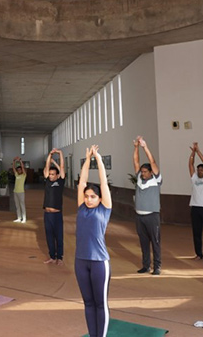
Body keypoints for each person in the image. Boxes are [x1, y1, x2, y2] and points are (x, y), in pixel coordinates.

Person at [75, 144, 112, 337]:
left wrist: (97, 158)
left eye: (93, 197)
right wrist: (86, 159)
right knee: (88, 302)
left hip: (99, 262)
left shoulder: (104, 209)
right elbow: (82, 182)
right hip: (80, 261)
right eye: (87, 196)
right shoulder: (81, 207)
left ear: (99, 199)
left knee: (100, 303)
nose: (89, 199)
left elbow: (103, 183)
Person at [133, 135, 162, 275]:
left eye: (145, 172)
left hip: (152, 216)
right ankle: (146, 266)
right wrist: (136, 148)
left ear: (151, 172)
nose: (142, 173)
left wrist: (145, 147)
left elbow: (153, 161)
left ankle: (157, 266)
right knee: (144, 243)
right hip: (140, 216)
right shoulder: (139, 177)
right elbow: (136, 161)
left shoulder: (156, 179)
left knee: (155, 242)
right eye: (142, 172)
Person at [43, 148, 66, 264]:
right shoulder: (47, 181)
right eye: (50, 174)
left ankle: (60, 257)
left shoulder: (60, 181)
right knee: (49, 236)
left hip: (57, 214)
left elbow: (61, 167)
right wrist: (50, 155)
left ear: (57, 175)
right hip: (47, 214)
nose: (51, 176)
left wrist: (60, 153)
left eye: (53, 174)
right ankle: (52, 256)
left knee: (59, 236)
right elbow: (47, 167)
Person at [12, 156, 27, 223]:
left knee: (22, 205)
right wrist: (14, 161)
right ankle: (19, 218)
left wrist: (20, 160)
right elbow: (13, 168)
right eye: (18, 170)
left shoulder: (23, 175)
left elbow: (23, 167)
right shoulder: (16, 175)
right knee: (17, 205)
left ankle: (24, 218)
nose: (18, 171)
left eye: (20, 170)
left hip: (21, 192)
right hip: (15, 192)